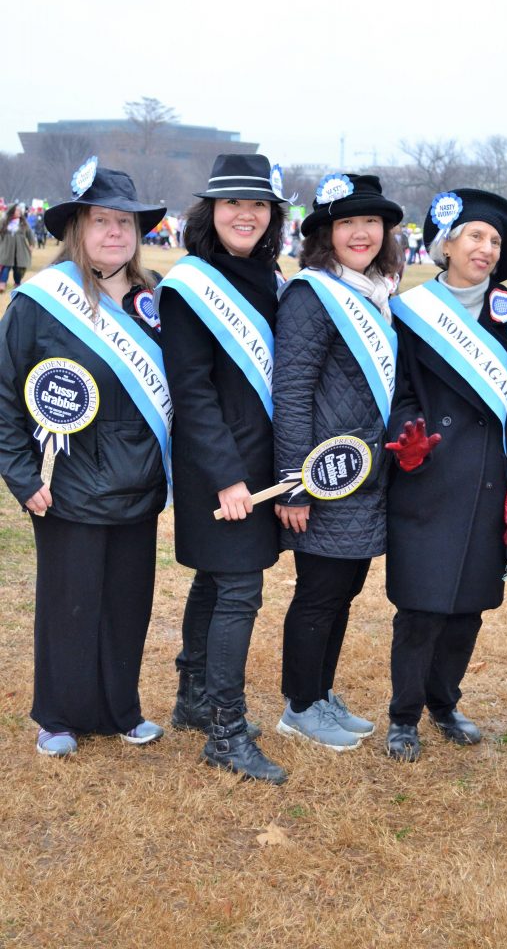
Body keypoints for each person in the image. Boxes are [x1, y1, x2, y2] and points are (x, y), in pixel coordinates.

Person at [0, 159, 170, 756]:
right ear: (77, 228)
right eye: (102, 221)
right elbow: (5, 394)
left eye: (125, 222)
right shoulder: (42, 303)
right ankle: (59, 716)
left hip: (139, 486)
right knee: (70, 604)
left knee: (128, 603)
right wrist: (22, 476)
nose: (115, 233)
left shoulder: (154, 303)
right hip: (68, 483)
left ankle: (121, 710)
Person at [384, 189, 507, 762]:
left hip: (488, 478)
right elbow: (395, 391)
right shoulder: (409, 312)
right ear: (446, 243)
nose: (486, 248)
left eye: (495, 241)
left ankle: (443, 702)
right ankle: (403, 716)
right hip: (428, 473)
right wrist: (408, 437)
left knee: (469, 606)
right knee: (421, 605)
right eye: (475, 236)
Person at [157, 153, 288, 785]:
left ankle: (194, 699)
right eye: (234, 203)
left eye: (259, 204)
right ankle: (226, 733)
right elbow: (193, 389)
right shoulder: (190, 283)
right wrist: (228, 476)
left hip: (258, 461)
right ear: (210, 211)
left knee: (215, 582)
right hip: (220, 464)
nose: (247, 214)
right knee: (239, 589)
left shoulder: (268, 274)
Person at [273, 173, 403, 750]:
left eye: (370, 221)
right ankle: (299, 705)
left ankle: (320, 694)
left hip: (365, 476)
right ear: (326, 233)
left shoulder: (376, 291)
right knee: (319, 592)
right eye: (347, 222)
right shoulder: (312, 293)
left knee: (344, 588)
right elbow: (293, 392)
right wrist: (293, 483)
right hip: (324, 477)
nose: (361, 232)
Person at [0, 203, 35, 292]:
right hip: (6, 249)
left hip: (20, 249)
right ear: (12, 211)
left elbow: (30, 234)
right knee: (5, 266)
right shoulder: (4, 222)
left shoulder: (23, 223)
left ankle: (17, 283)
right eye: (17, 210)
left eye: (20, 210)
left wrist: (31, 244)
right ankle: (2, 283)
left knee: (18, 267)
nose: (19, 212)